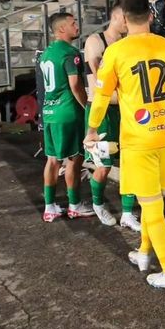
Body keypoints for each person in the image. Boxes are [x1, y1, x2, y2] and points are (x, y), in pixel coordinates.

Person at [85, 0, 165, 291]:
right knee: (151, 198)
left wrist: (92, 130)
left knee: (151, 205)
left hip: (139, 140)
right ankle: (144, 253)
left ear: (124, 18)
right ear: (151, 16)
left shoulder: (116, 52)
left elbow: (101, 97)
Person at [82, 4, 141, 231]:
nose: (129, 24)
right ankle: (97, 204)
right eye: (126, 19)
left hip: (124, 110)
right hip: (103, 112)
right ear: (116, 17)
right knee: (103, 166)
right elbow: (101, 83)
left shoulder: (128, 43)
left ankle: (127, 213)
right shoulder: (95, 41)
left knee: (129, 162)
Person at [39, 13, 94, 222]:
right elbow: (75, 85)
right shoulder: (70, 52)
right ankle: (74, 205)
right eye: (73, 24)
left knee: (52, 160)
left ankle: (50, 206)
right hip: (68, 113)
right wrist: (86, 107)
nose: (77, 27)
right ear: (62, 29)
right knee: (74, 159)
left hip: (49, 112)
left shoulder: (46, 53)